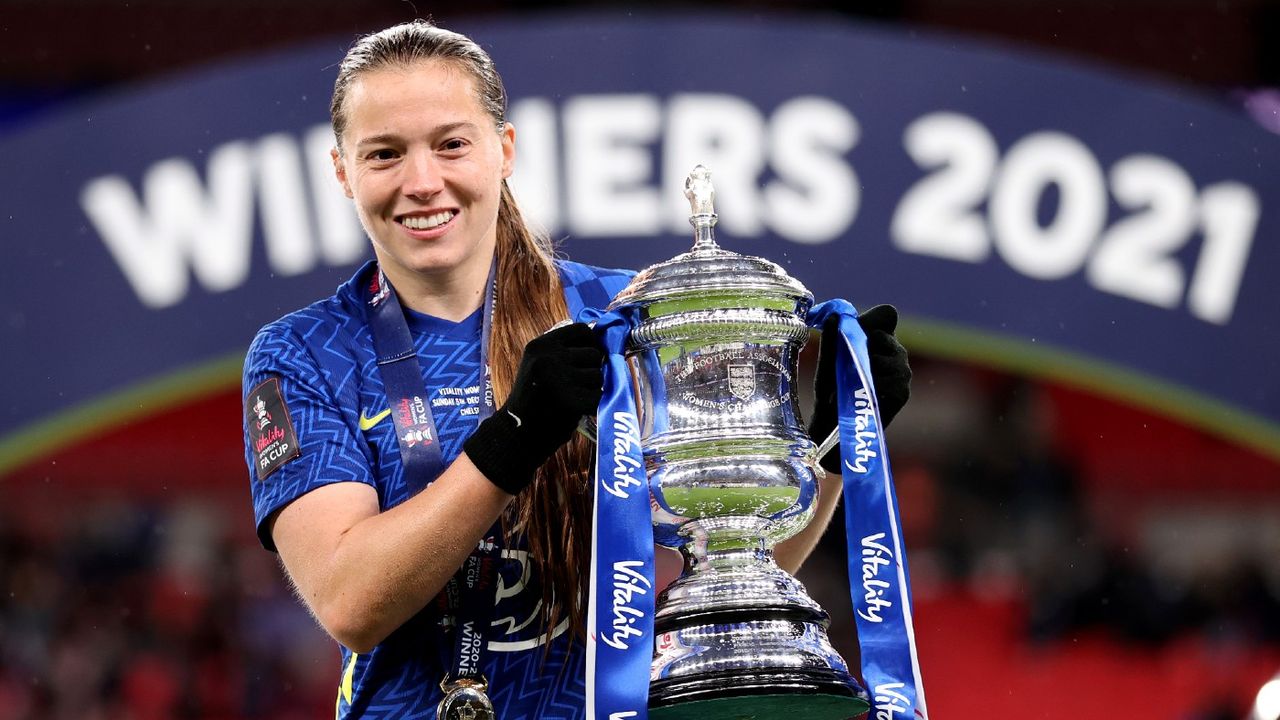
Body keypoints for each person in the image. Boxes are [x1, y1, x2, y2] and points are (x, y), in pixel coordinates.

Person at [240, 19, 911, 719]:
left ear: (504, 150)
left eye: (450, 144)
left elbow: (720, 571)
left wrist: (835, 442)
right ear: (342, 171)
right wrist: (516, 438)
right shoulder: (304, 354)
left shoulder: (619, 317)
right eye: (384, 154)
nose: (421, 181)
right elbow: (351, 601)